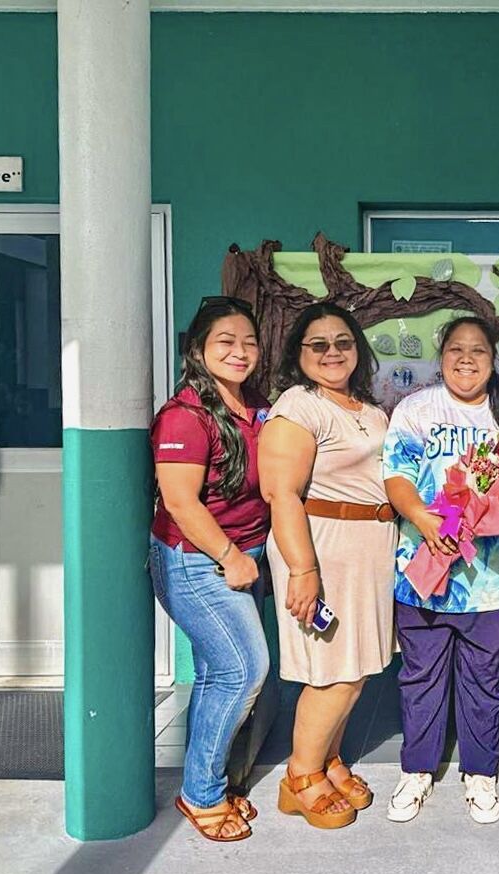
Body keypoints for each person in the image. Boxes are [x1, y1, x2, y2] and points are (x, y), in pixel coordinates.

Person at [382, 316, 499, 825]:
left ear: (494, 360)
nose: (466, 359)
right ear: (441, 355)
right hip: (421, 574)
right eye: (456, 350)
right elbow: (396, 477)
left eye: (479, 352)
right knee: (420, 676)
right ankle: (417, 770)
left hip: (489, 581)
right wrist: (423, 519)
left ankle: (480, 773)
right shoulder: (415, 409)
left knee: (486, 680)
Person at [259, 302, 397, 830]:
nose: (332, 352)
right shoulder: (299, 406)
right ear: (299, 355)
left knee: (355, 669)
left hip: (368, 546)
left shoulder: (367, 409)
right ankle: (299, 778)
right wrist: (302, 569)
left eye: (342, 341)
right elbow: (282, 494)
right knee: (329, 674)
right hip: (322, 546)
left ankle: (329, 760)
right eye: (318, 344)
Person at [148, 296, 270, 843]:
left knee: (219, 673)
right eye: (226, 341)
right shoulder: (184, 415)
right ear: (198, 349)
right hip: (198, 561)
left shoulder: (252, 405)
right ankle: (201, 794)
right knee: (244, 669)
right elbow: (180, 501)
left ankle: (209, 781)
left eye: (248, 341)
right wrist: (230, 556)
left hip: (243, 555)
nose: (239, 351)